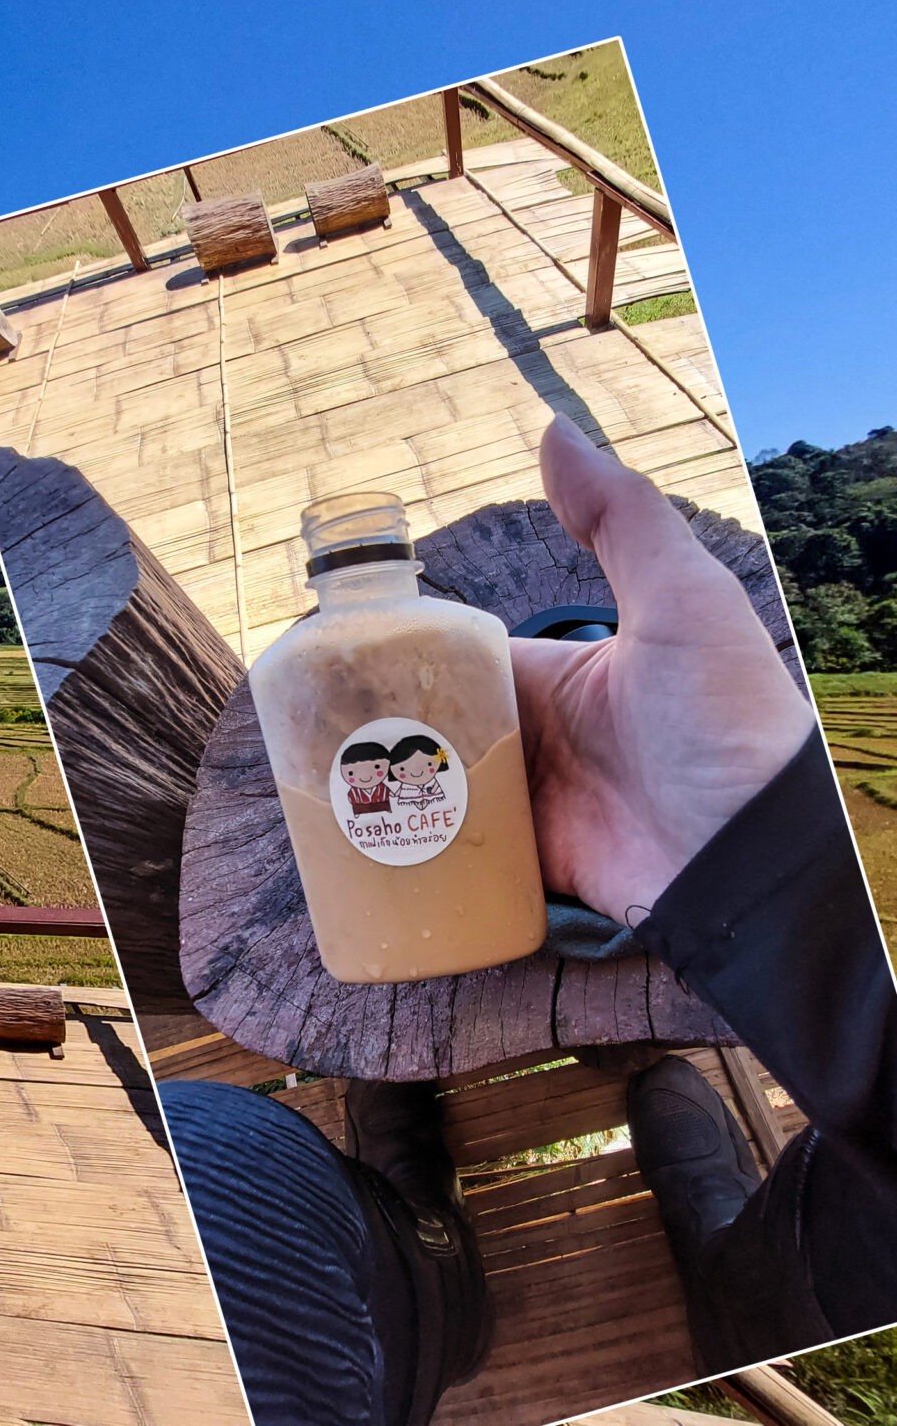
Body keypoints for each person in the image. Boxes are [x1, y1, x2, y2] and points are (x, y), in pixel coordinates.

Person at [166, 415, 897, 1426]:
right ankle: (516, 1254)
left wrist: (765, 855)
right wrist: (769, 860)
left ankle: (436, 1226)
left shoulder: (443, 643)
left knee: (224, 1158)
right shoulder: (321, 663)